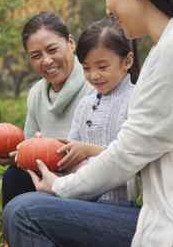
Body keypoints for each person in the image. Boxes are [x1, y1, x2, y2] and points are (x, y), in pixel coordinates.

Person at [3, 0, 173, 247]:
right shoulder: (162, 52)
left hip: (160, 224)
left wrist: (61, 187)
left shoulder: (167, 56)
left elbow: (125, 154)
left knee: (23, 212)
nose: (107, 6)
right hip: (151, 214)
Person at [1, 11, 92, 207]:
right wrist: (13, 156)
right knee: (14, 176)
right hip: (47, 178)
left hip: (87, 180)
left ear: (71, 42)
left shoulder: (95, 84)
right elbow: (31, 148)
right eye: (36, 55)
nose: (46, 61)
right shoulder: (36, 94)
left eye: (52, 49)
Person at [56, 18, 139, 206]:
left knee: (28, 208)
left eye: (102, 67)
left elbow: (134, 160)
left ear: (127, 61)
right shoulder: (84, 105)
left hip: (122, 205)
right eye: (86, 68)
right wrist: (47, 146)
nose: (94, 75)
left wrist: (88, 151)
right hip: (82, 199)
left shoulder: (136, 101)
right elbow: (70, 150)